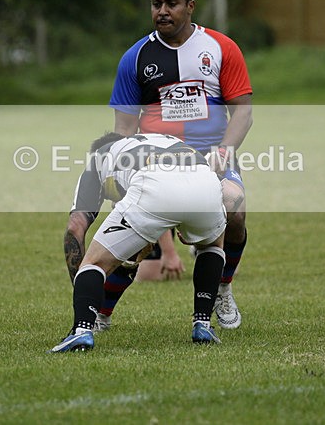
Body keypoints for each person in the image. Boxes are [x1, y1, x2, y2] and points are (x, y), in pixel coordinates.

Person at [103, 0, 253, 331]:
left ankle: (222, 288)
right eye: (156, 4)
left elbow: (243, 112)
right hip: (157, 164)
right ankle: (99, 315)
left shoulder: (220, 48)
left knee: (234, 209)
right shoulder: (135, 57)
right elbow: (123, 130)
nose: (163, 11)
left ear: (190, 6)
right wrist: (122, 173)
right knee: (132, 242)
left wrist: (223, 152)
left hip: (211, 158)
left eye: (171, 3)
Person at [51, 132, 227, 352]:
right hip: (205, 180)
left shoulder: (99, 158)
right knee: (212, 245)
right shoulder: (165, 139)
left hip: (154, 183)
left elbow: (75, 228)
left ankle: (82, 330)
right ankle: (202, 324)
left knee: (94, 264)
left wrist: (82, 290)